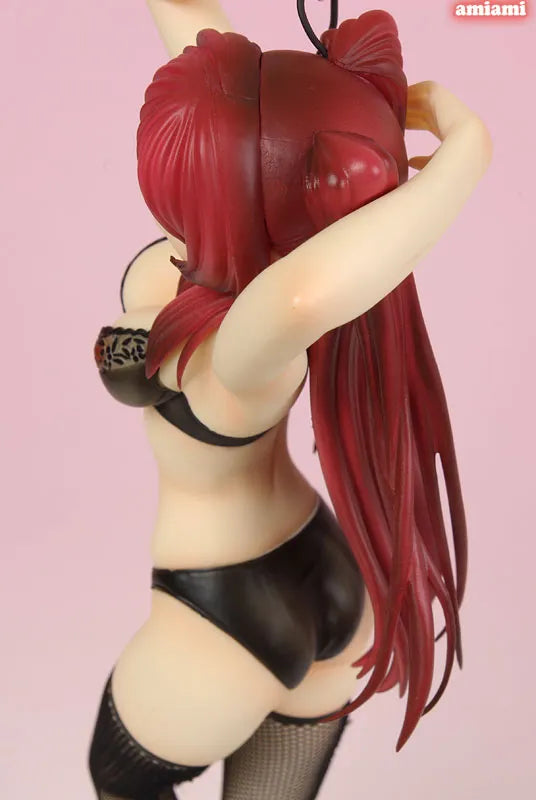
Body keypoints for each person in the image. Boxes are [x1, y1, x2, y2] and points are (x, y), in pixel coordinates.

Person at [88, 2, 493, 799]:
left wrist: (467, 150)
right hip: (324, 572)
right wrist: (446, 138)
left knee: (117, 778)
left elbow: (305, 297)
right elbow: (189, 19)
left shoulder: (249, 340)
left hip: (221, 613)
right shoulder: (247, 173)